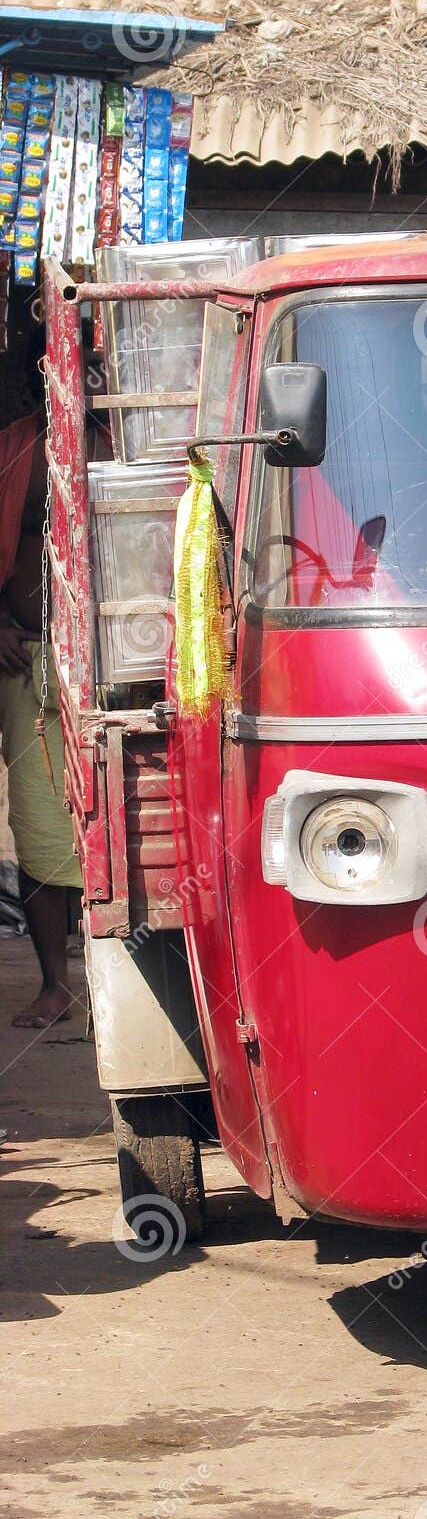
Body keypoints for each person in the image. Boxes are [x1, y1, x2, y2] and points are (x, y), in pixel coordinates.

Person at [0, 340, 82, 1027]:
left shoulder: (127, 449)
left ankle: (131, 978)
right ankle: (57, 984)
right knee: (37, 826)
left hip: (112, 669)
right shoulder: (11, 455)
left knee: (121, 822)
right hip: (28, 666)